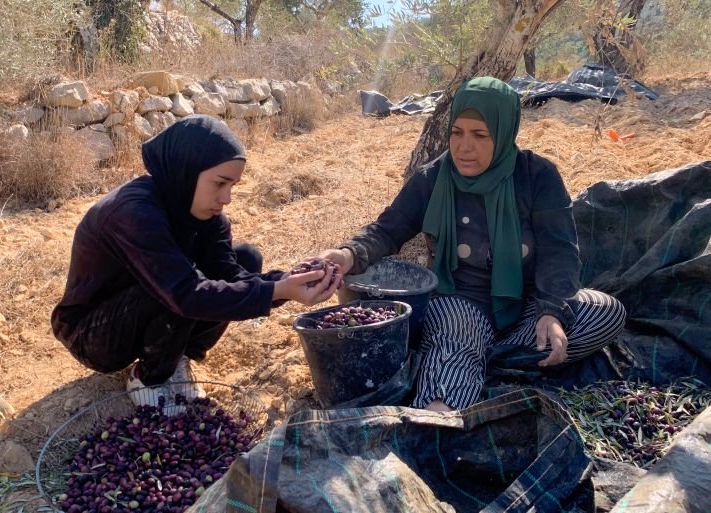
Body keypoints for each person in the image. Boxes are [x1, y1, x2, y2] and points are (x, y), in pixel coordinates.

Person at [319, 77, 626, 412]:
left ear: (504, 131)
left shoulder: (537, 176)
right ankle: (447, 391)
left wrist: (551, 311)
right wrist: (349, 253)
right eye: (457, 132)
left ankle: (476, 363)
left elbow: (560, 250)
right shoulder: (433, 179)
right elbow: (387, 230)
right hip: (460, 304)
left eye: (480, 135)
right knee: (455, 335)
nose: (464, 146)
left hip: (526, 309)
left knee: (605, 312)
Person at [52, 114, 340, 407]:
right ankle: (149, 378)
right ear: (186, 170)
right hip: (93, 334)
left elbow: (232, 276)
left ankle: (176, 357)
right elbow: (184, 294)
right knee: (179, 291)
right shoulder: (132, 212)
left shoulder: (206, 215)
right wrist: (278, 291)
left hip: (149, 302)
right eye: (219, 183)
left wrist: (288, 281)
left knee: (246, 258)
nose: (226, 197)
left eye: (232, 186)